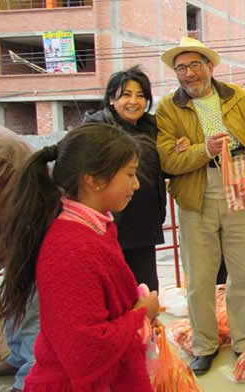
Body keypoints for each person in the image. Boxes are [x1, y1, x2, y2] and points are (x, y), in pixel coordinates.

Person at [0, 123, 161, 392]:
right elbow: (87, 347)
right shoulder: (71, 247)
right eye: (130, 174)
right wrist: (140, 315)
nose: (136, 185)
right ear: (94, 180)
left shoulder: (92, 227)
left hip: (89, 391)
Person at [156, 37, 245, 374]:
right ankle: (204, 345)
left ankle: (244, 342)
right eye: (181, 68)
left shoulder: (236, 96)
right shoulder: (168, 107)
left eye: (195, 65)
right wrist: (203, 149)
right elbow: (168, 158)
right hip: (198, 193)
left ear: (210, 67)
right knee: (199, 278)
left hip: (241, 186)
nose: (189, 74)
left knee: (244, 273)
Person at [84, 65, 169, 292]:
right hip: (110, 224)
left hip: (143, 224)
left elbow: (162, 167)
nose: (134, 101)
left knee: (147, 290)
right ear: (112, 99)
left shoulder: (152, 127)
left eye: (141, 95)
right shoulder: (97, 128)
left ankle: (145, 328)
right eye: (126, 95)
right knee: (114, 292)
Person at [0, 123, 35, 392]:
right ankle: (18, 357)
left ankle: (30, 381)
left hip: (29, 225)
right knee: (16, 292)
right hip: (9, 228)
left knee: (33, 300)